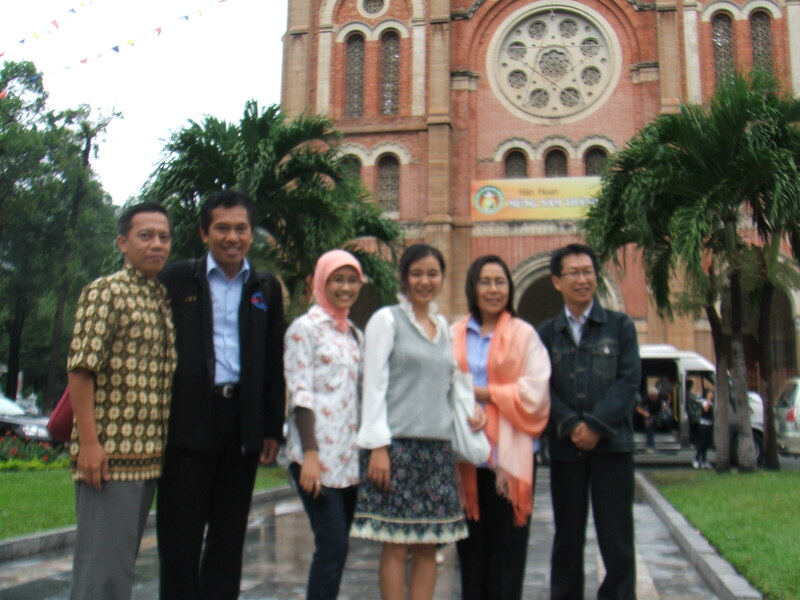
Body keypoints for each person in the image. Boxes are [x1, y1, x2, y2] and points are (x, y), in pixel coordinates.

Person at [157, 190, 287, 600]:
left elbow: (273, 359)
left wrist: (270, 428)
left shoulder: (266, 287)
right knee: (180, 541)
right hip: (187, 423)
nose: (233, 237)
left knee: (229, 542)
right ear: (204, 233)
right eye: (223, 228)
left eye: (242, 229)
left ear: (252, 234)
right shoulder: (176, 279)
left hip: (241, 426)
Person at [352, 243, 477, 600]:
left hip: (436, 451)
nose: (425, 281)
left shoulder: (443, 327)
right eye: (417, 273)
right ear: (404, 278)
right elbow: (372, 384)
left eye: (432, 273)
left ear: (442, 278)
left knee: (428, 543)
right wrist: (377, 446)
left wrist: (472, 410)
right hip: (396, 448)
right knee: (395, 543)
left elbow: (450, 387)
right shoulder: (386, 320)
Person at [67, 202, 177, 600]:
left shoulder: (162, 298)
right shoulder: (105, 292)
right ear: (122, 243)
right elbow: (81, 369)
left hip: (148, 457)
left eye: (164, 237)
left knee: (121, 568)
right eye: (145, 236)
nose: (156, 245)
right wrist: (91, 445)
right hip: (110, 457)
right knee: (102, 574)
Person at [537, 244, 641, 600]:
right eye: (573, 273)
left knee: (617, 538)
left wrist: (596, 425)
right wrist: (569, 424)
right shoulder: (546, 334)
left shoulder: (621, 326)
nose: (582, 279)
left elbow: (628, 382)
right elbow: (541, 386)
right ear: (556, 281)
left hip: (613, 448)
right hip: (567, 451)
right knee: (567, 537)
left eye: (588, 272)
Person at [450, 255, 551, 600]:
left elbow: (535, 391)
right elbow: (442, 385)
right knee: (470, 548)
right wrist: (464, 402)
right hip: (466, 456)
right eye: (485, 281)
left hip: (509, 459)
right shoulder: (454, 334)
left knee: (508, 549)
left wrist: (483, 393)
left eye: (500, 282)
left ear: (510, 288)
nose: (493, 289)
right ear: (472, 287)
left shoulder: (525, 335)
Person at [284, 249, 365, 599]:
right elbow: (300, 393)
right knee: (332, 545)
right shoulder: (305, 329)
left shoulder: (354, 335)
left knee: (337, 546)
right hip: (314, 457)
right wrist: (311, 455)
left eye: (352, 280)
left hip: (348, 458)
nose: (345, 287)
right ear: (321, 282)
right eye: (337, 279)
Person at [694, 389, 714, 469]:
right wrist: (708, 399)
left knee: (706, 444)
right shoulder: (704, 401)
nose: (712, 395)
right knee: (701, 444)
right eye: (710, 393)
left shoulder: (711, 403)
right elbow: (705, 409)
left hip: (709, 424)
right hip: (703, 425)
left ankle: (704, 461)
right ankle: (696, 460)